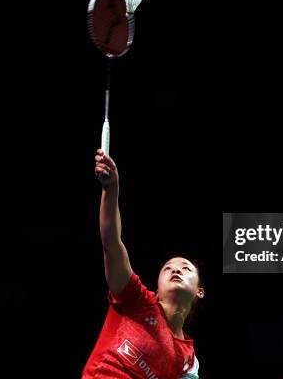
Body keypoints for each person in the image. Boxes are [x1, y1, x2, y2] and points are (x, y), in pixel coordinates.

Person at [82, 149, 204, 379]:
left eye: (186, 268)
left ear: (199, 291)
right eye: (168, 268)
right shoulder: (135, 299)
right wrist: (111, 190)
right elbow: (111, 243)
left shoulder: (188, 363)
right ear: (156, 287)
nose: (176, 269)